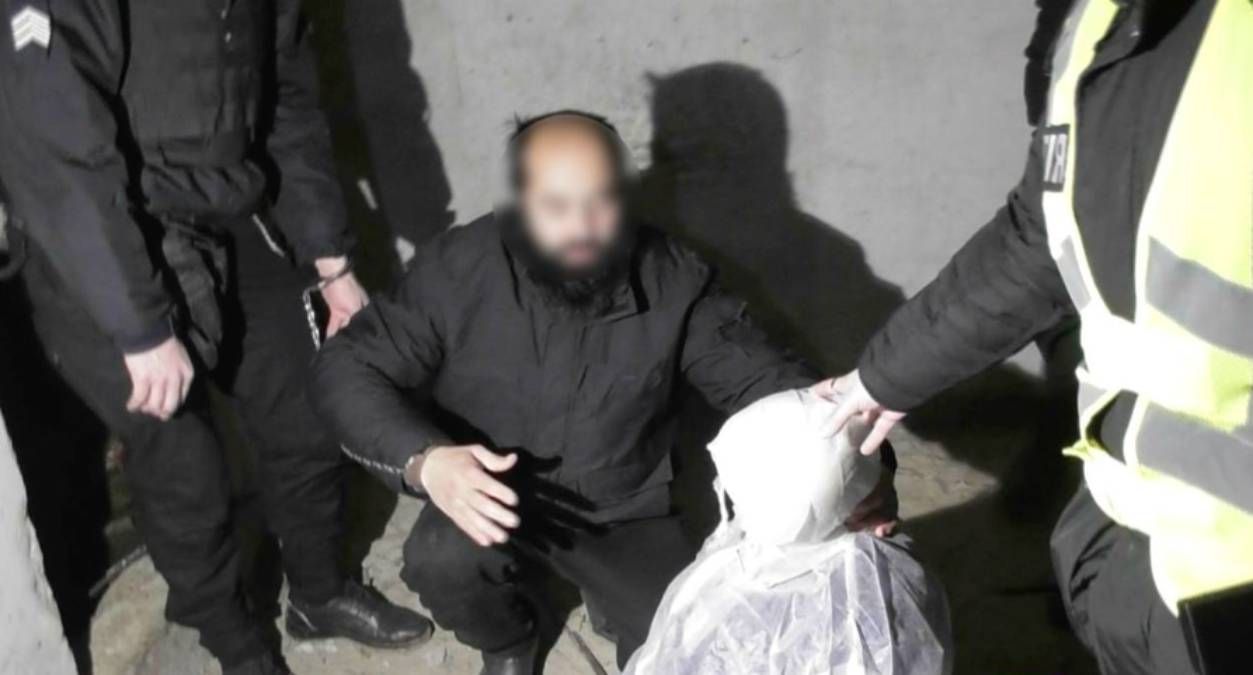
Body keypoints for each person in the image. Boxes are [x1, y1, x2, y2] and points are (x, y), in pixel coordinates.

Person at [310, 111, 899, 674]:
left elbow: (766, 379)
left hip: (622, 509)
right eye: (556, 207)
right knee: (439, 563)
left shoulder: (675, 279)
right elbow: (347, 366)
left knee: (685, 641)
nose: (583, 228)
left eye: (602, 202)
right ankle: (510, 640)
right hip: (490, 491)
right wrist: (426, 461)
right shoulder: (459, 268)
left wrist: (859, 470)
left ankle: (611, 605)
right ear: (517, 203)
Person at [818, 0, 1253, 673]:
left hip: (1231, 566)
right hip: (1133, 546)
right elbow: (1040, 234)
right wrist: (880, 379)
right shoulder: (1094, 24)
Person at [0, 2, 432, 673]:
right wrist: (140, 327)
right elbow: (59, 154)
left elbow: (287, 98)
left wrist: (332, 261)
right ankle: (238, 647)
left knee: (310, 407)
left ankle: (318, 594)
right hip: (99, 233)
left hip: (224, 201)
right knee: (185, 469)